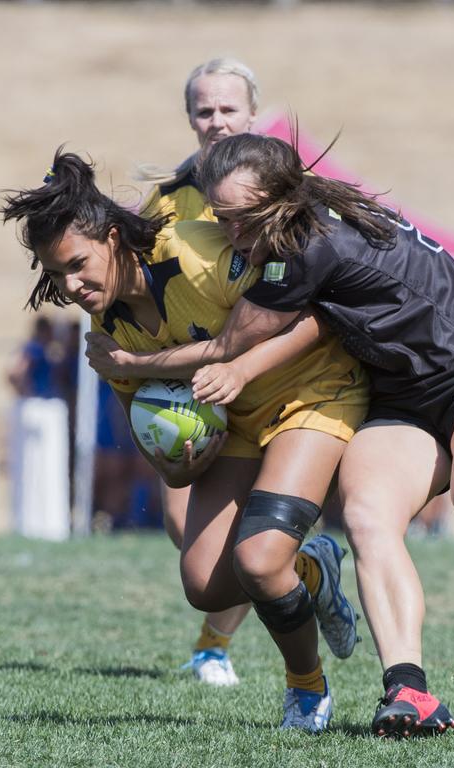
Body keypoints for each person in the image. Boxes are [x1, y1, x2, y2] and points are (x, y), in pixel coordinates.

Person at [1, 149, 367, 732]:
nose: (70, 286)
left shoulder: (199, 253)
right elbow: (160, 458)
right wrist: (180, 459)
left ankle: (306, 689)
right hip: (237, 422)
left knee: (259, 559)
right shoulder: (108, 332)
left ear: (115, 237)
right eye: (56, 275)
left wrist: (235, 370)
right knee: (204, 585)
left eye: (78, 265)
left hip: (313, 392)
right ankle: (313, 569)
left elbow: (315, 315)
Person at [173, 131, 454, 736]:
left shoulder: (307, 246)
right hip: (402, 400)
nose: (232, 233)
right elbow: (313, 322)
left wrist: (127, 365)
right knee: (367, 516)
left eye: (242, 219)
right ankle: (409, 694)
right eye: (221, 219)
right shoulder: (304, 223)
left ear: (280, 196)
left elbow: (233, 342)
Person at [137, 56, 259, 686]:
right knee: (182, 524)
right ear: (190, 118)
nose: (216, 121)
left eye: (228, 108)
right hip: (190, 378)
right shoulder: (165, 199)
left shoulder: (284, 187)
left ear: (253, 113)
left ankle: (213, 647)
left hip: (271, 377)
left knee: (247, 534)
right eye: (204, 110)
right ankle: (305, 570)